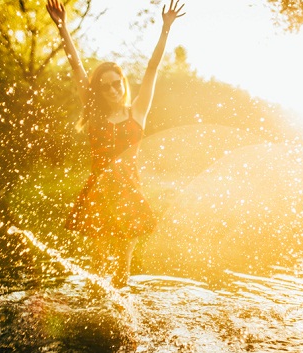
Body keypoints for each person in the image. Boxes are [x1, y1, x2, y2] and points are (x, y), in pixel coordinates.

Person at [46, 0, 185, 288]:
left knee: (122, 269)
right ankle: (97, 319)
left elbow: (152, 68)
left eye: (116, 82)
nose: (112, 89)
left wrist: (166, 29)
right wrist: (62, 27)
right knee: (98, 265)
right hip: (98, 191)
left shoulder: (137, 111)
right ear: (98, 89)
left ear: (122, 82)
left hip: (129, 193)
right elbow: (76, 65)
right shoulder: (94, 112)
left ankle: (122, 318)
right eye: (105, 85)